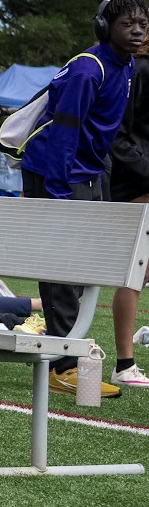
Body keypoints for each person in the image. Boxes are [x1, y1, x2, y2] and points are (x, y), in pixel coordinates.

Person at [20, 0, 148, 399]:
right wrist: (59, 191)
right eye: (127, 23)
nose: (138, 30)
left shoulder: (127, 66)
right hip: (56, 171)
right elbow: (64, 131)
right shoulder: (88, 69)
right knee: (61, 266)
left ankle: (59, 343)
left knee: (84, 266)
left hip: (89, 171)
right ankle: (63, 366)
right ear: (104, 27)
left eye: (142, 24)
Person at [108, 35, 149, 389]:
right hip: (136, 184)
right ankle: (124, 363)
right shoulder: (138, 69)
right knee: (134, 271)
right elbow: (118, 135)